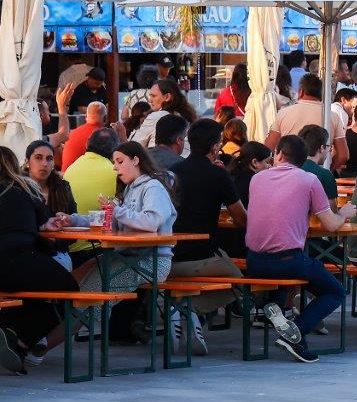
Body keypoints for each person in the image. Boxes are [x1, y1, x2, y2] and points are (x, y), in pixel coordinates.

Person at [245, 134, 355, 363]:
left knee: (293, 269)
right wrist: (344, 213)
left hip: (253, 261)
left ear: (279, 154)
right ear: (304, 159)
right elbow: (331, 225)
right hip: (287, 261)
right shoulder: (309, 180)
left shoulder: (257, 179)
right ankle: (297, 331)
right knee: (335, 291)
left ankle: (275, 305)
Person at [71, 141, 179, 339]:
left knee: (94, 291)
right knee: (81, 278)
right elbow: (109, 220)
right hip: (128, 256)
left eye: (119, 161)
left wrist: (116, 210)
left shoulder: (153, 187)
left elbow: (152, 221)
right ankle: (47, 336)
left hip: (152, 261)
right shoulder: (129, 189)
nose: (115, 167)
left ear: (136, 160)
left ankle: (44, 344)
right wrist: (71, 219)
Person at [0, 146, 81, 374]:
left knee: (32, 291)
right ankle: (22, 340)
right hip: (19, 258)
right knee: (68, 291)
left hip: (12, 267)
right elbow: (43, 230)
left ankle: (9, 330)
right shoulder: (25, 189)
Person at [167, 119, 246, 353]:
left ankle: (183, 310)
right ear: (215, 147)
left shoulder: (172, 171)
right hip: (202, 258)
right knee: (240, 282)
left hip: (168, 256)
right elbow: (241, 219)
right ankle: (189, 308)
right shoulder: (217, 175)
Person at [264, 73, 347, 174]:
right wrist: (328, 169)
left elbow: (268, 148)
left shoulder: (284, 113)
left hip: (288, 172)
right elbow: (343, 155)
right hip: (319, 173)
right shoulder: (332, 116)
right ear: (322, 93)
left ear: (301, 91)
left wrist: (278, 166)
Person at [23, 140, 77, 270]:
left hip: (58, 252)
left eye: (49, 159)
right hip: (28, 253)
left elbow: (74, 223)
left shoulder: (63, 187)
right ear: (27, 162)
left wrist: (56, 242)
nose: (44, 163)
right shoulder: (18, 189)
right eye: (38, 158)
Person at [64, 127, 120, 219]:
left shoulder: (71, 169)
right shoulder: (117, 172)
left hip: (72, 226)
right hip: (101, 228)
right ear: (115, 150)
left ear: (87, 144)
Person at [129, 78, 196, 152]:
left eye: (153, 96)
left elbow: (135, 146)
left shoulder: (156, 116)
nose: (150, 100)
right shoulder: (187, 116)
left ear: (167, 97)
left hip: (160, 161)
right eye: (150, 96)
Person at [298, 124, 340, 206]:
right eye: (329, 147)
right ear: (321, 148)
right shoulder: (325, 175)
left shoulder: (289, 169)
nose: (329, 151)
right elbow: (332, 213)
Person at [59, 100, 106, 171]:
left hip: (66, 178)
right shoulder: (106, 137)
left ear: (86, 116)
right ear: (105, 118)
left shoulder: (71, 134)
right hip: (88, 179)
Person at [229, 141, 273, 207]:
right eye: (266, 162)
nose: (269, 166)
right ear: (255, 162)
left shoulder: (236, 173)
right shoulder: (255, 180)